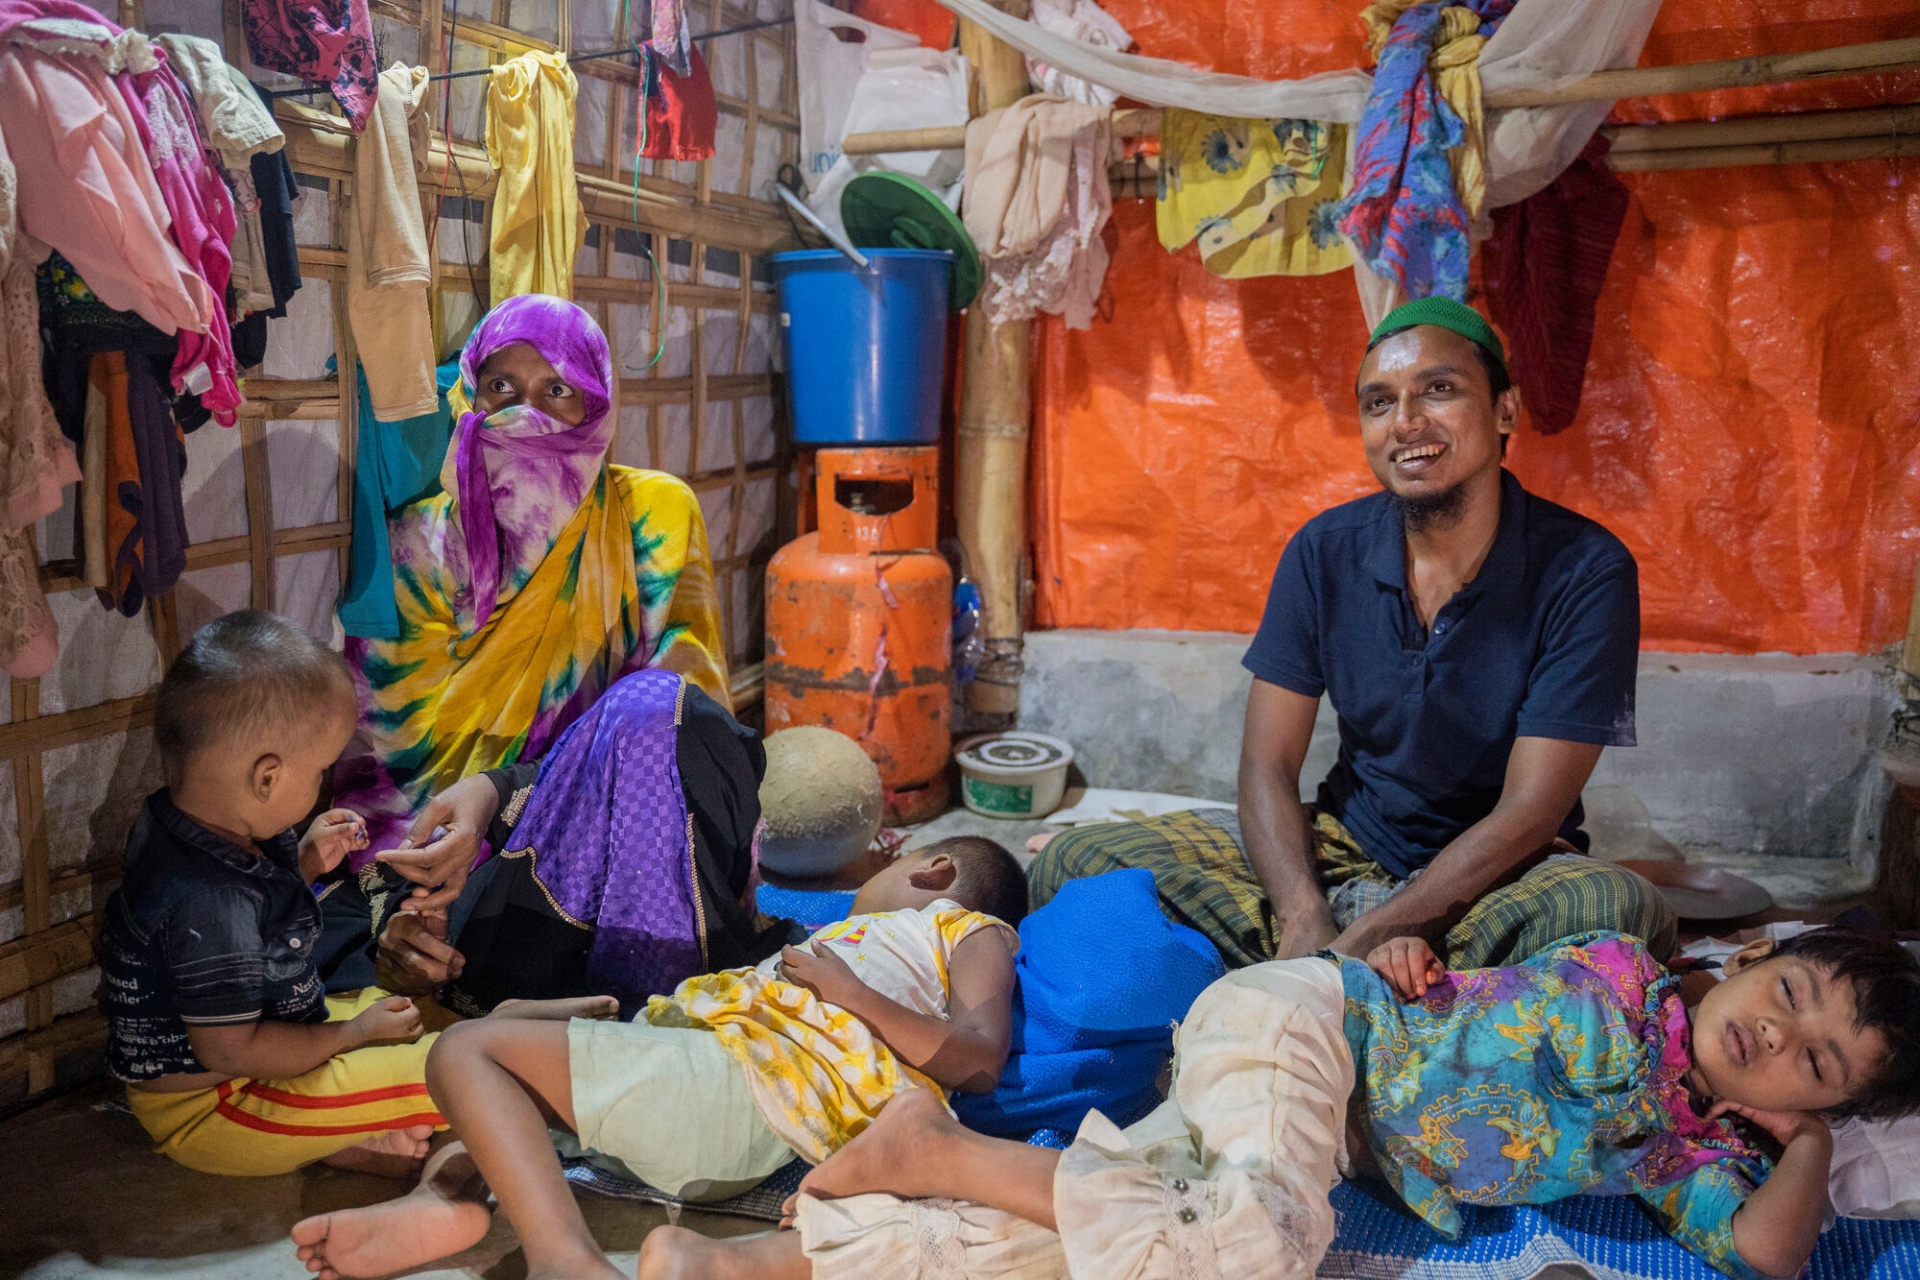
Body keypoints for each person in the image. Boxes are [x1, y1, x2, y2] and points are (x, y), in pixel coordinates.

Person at [644, 927, 1920, 1280]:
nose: (1779, 1028)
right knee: (1262, 1250)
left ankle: (738, 1260)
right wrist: (1412, 943)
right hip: (1312, 1024)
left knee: (1120, 1244)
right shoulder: (1626, 981)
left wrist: (1804, 1137)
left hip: (1302, 1126)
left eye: (1814, 1060)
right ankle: (933, 1144)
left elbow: (1765, 1249)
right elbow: (1439, 980)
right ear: (1749, 954)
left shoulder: (1677, 1149)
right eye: (1791, 986)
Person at [1032, 296, 1673, 971]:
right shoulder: (1323, 551)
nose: (1406, 422)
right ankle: (1405, 990)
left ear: (1504, 410)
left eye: (1440, 390)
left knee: (1617, 915)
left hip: (1499, 880)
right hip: (1343, 849)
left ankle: (1327, 978)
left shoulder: (1586, 569)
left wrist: (1346, 951)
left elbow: (1530, 811)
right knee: (1079, 864)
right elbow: (1268, 765)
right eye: (1379, 402)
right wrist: (1305, 913)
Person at [288, 836, 1029, 1280]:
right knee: (503, 1073)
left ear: (933, 873)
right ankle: (446, 1198)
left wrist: (848, 989)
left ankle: (562, 1257)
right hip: (710, 1076)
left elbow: (975, 1057)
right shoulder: (858, 939)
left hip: (734, 1084)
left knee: (463, 1052)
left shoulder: (967, 926)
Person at [95, 611, 612, 1178]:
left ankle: (487, 1033)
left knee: (403, 1015)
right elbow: (230, 1048)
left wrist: (306, 862)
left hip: (263, 1053)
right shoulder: (208, 902)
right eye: (320, 770)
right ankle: (516, 1054)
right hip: (220, 1106)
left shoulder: (190, 826)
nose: (323, 783)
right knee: (442, 1069)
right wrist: (348, 1037)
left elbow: (248, 915)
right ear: (266, 778)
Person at [329, 292, 730, 918]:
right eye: (502, 386)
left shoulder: (655, 516)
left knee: (651, 707)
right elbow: (388, 755)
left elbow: (688, 724)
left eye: (559, 391)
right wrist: (411, 897)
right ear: (470, 396)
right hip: (458, 865)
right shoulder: (420, 546)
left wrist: (513, 796)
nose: (529, 416)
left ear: (597, 404)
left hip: (622, 842)